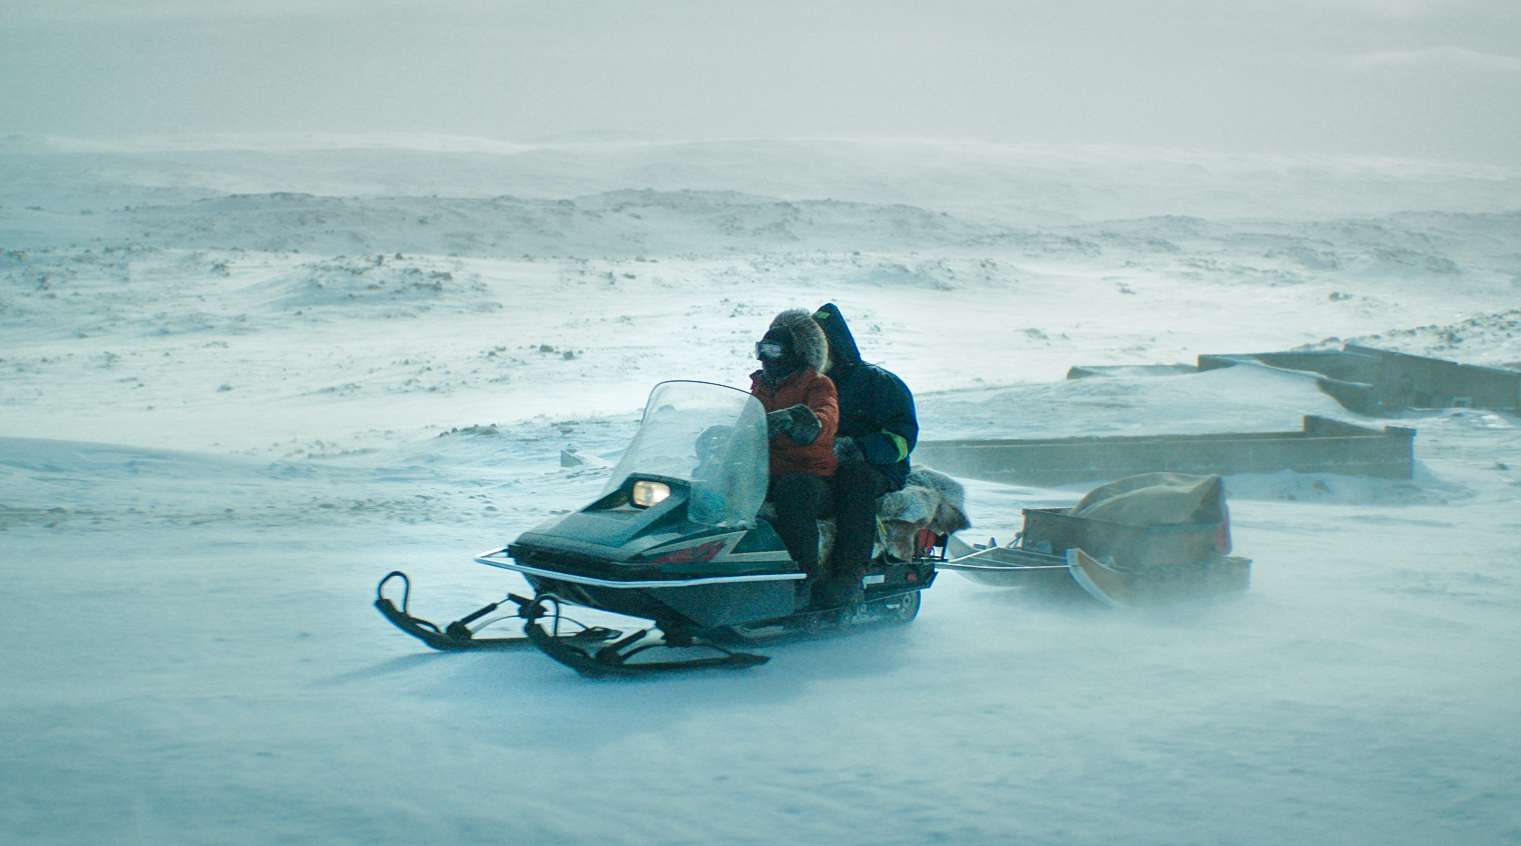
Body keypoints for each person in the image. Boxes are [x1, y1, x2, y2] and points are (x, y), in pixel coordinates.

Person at [810, 302, 919, 606]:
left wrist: (858, 449)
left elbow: (902, 438)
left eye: (820, 345)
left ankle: (848, 577)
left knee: (854, 481)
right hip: (819, 464)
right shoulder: (804, 385)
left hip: (878, 468)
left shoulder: (879, 384)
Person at [749, 309, 839, 589]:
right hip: (767, 472)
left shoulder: (817, 384)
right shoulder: (760, 386)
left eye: (774, 350)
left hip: (811, 476)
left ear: (793, 353)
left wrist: (804, 420)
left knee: (794, 490)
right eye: (761, 349)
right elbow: (745, 419)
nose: (766, 357)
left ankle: (803, 576)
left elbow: (827, 414)